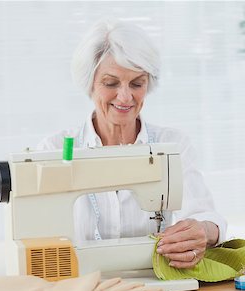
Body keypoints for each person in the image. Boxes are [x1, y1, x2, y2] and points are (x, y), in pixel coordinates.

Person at [37, 20, 227, 269]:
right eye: (111, 83)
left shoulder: (173, 145)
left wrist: (203, 230)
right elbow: (38, 235)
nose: (126, 97)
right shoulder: (54, 150)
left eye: (137, 83)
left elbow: (207, 216)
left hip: (153, 282)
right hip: (82, 285)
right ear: (89, 83)